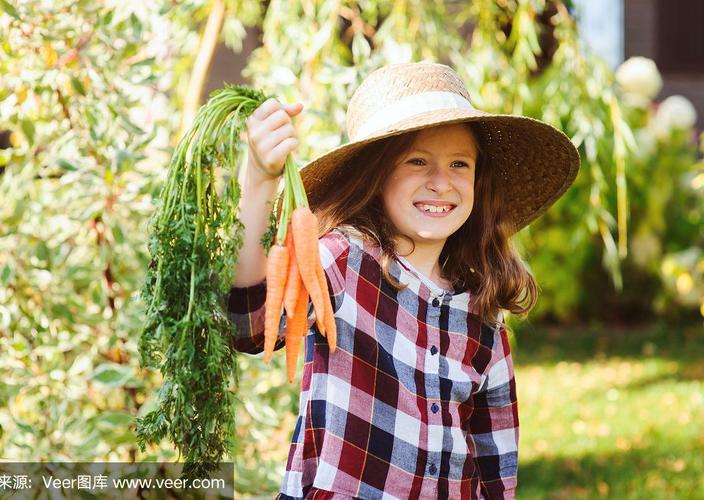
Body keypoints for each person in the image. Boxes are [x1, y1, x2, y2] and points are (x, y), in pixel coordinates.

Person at [227, 62, 580, 499]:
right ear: (377, 176)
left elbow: (494, 457)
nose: (441, 183)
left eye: (459, 164)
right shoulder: (342, 261)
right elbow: (250, 324)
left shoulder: (481, 308)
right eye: (417, 160)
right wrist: (258, 179)